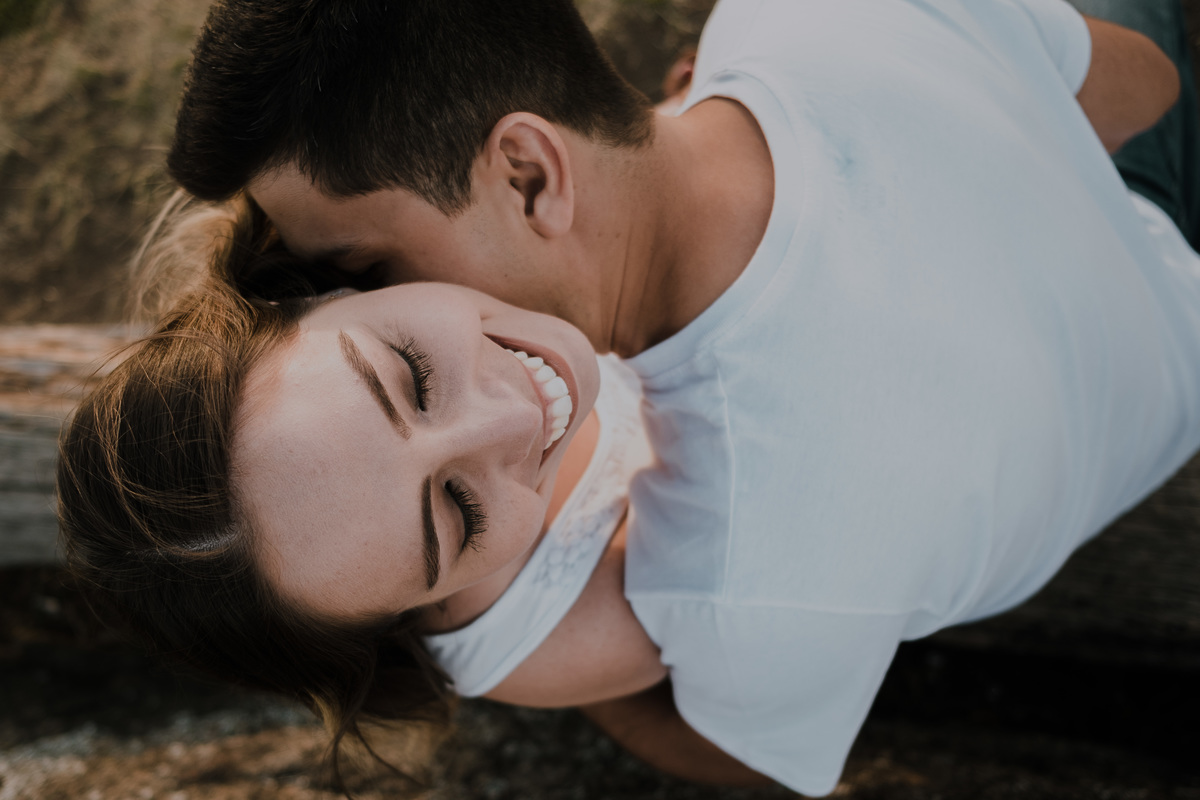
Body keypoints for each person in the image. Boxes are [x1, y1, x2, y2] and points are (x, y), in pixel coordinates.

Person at [106, 0, 1200, 793]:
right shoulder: (809, 19)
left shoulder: (748, 575)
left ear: (531, 174)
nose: (510, 423)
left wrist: (553, 672)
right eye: (459, 513)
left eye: (371, 291)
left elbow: (755, 759)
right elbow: (1140, 85)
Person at [57, 198, 667, 787]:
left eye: (415, 376)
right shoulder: (557, 630)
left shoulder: (430, 218)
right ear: (416, 611)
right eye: (460, 510)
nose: (513, 420)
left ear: (315, 295)